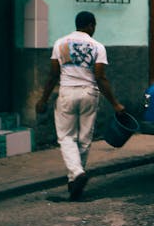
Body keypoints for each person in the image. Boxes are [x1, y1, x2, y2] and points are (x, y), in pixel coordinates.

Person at [36, 11, 125, 200]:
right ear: (91, 25)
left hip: (67, 92)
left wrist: (43, 99)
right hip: (89, 93)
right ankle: (74, 180)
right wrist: (115, 104)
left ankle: (76, 174)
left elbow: (53, 75)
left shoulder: (60, 43)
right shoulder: (98, 46)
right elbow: (101, 77)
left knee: (66, 137)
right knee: (84, 138)